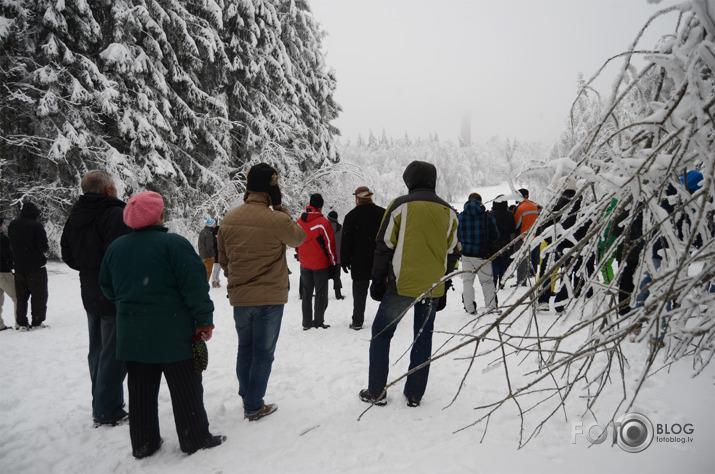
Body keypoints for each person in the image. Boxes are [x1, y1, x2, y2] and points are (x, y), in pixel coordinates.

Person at [99, 191, 225, 458]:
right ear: (159, 215)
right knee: (185, 388)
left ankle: (143, 443)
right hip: (174, 334)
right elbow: (195, 288)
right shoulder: (174, 244)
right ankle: (195, 438)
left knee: (141, 391)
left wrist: (132, 305)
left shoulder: (116, 248)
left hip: (133, 335)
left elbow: (108, 288)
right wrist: (204, 321)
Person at [359, 161, 459, 408]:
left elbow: (384, 245)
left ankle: (376, 392)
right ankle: (414, 394)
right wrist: (444, 285)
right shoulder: (449, 211)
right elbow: (453, 251)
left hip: (400, 285)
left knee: (382, 334)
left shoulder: (400, 205)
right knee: (423, 338)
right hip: (433, 287)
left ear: (410, 180)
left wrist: (377, 279)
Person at [218, 163, 306, 421]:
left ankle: (247, 394)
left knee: (245, 348)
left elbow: (224, 260)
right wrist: (281, 209)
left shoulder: (229, 218)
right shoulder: (277, 219)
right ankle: (254, 405)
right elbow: (298, 238)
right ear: (272, 190)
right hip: (270, 297)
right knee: (263, 353)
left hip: (241, 297)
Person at [60, 170, 131, 427]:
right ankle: (107, 409)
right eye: (114, 185)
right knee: (113, 353)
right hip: (112, 291)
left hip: (90, 290)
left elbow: (66, 252)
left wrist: (88, 268)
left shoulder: (76, 215)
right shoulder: (114, 214)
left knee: (98, 350)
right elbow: (123, 256)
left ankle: (101, 402)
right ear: (108, 190)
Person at [341, 186, 386, 330]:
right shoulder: (382, 214)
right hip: (380, 259)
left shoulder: (351, 216)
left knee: (359, 292)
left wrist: (345, 260)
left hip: (359, 261)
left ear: (357, 198)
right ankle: (386, 319)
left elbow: (346, 241)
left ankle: (357, 321)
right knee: (384, 290)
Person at [296, 193, 338, 330]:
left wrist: (301, 255)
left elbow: (296, 243)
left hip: (304, 263)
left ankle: (306, 323)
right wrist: (333, 262)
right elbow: (330, 246)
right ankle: (318, 321)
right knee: (321, 294)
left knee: (307, 293)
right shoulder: (323, 223)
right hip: (320, 265)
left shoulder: (299, 221)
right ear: (321, 206)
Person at [8, 201, 48, 330]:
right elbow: (43, 247)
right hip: (36, 267)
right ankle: (37, 321)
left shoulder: (13, 225)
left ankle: (21, 322)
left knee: (21, 296)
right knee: (39, 295)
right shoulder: (36, 226)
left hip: (19, 267)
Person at [458, 193, 500, 314]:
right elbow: (495, 235)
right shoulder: (488, 216)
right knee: (487, 282)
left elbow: (459, 235)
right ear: (480, 201)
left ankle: (469, 307)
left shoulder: (461, 217)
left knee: (467, 281)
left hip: (466, 254)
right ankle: (491, 307)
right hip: (483, 254)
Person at [513, 188, 541, 287]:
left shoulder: (520, 208)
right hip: (532, 237)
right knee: (529, 258)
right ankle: (528, 276)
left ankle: (521, 281)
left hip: (521, 237)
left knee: (521, 261)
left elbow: (516, 224)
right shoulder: (535, 207)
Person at [490, 196, 516, 290]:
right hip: (506, 242)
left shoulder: (491, 215)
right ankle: (502, 281)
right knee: (504, 263)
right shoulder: (510, 215)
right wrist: (511, 244)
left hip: (493, 243)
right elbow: (512, 231)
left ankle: (494, 279)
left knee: (494, 262)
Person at [0, 217, 17, 331]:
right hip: (4, 272)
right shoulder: (3, 239)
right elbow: (8, 255)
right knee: (17, 297)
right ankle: (20, 322)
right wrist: (13, 265)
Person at [327, 211, 345, 300]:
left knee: (323, 278)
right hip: (337, 258)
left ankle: (323, 295)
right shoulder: (341, 229)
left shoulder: (325, 228)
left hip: (326, 258)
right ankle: (338, 294)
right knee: (337, 277)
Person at [210, 222, 221, 288]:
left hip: (219, 254)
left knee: (219, 268)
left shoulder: (218, 237)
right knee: (216, 268)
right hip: (216, 254)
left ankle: (217, 280)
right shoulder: (214, 237)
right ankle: (214, 281)